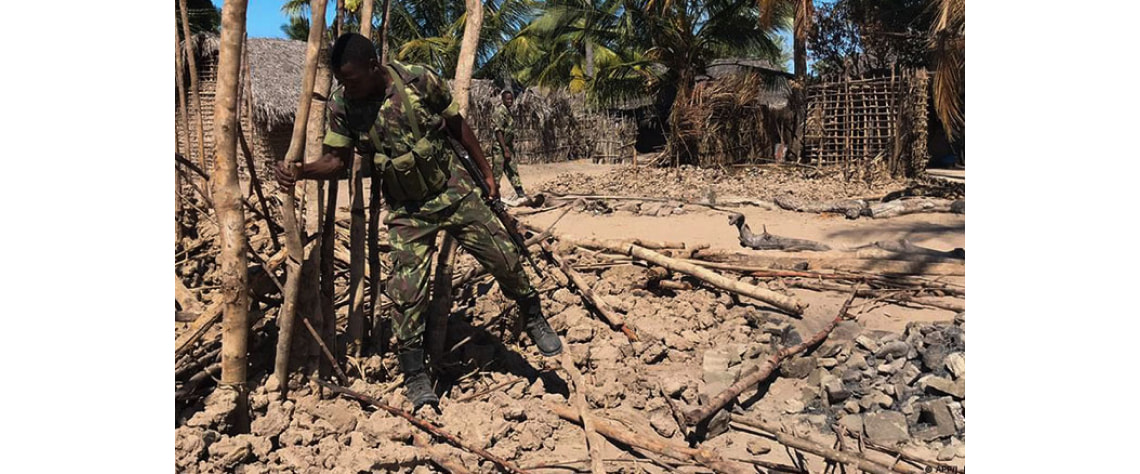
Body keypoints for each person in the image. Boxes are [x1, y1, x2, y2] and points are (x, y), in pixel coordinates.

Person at [274, 33, 562, 410]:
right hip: (409, 211)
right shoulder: (344, 105)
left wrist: (486, 171)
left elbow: (457, 124)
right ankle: (414, 375)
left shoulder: (418, 79)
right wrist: (303, 170)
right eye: (343, 81)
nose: (348, 87)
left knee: (504, 258)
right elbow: (338, 162)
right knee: (407, 295)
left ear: (375, 66)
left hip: (452, 188)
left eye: (354, 79)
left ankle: (532, 314)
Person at [490, 90, 527, 200]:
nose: (510, 101)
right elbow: (498, 132)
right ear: (503, 99)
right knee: (497, 173)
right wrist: (504, 149)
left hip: (507, 147)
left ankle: (520, 193)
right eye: (508, 99)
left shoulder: (508, 112)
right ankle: (494, 195)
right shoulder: (499, 112)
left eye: (511, 99)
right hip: (500, 147)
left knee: (512, 169)